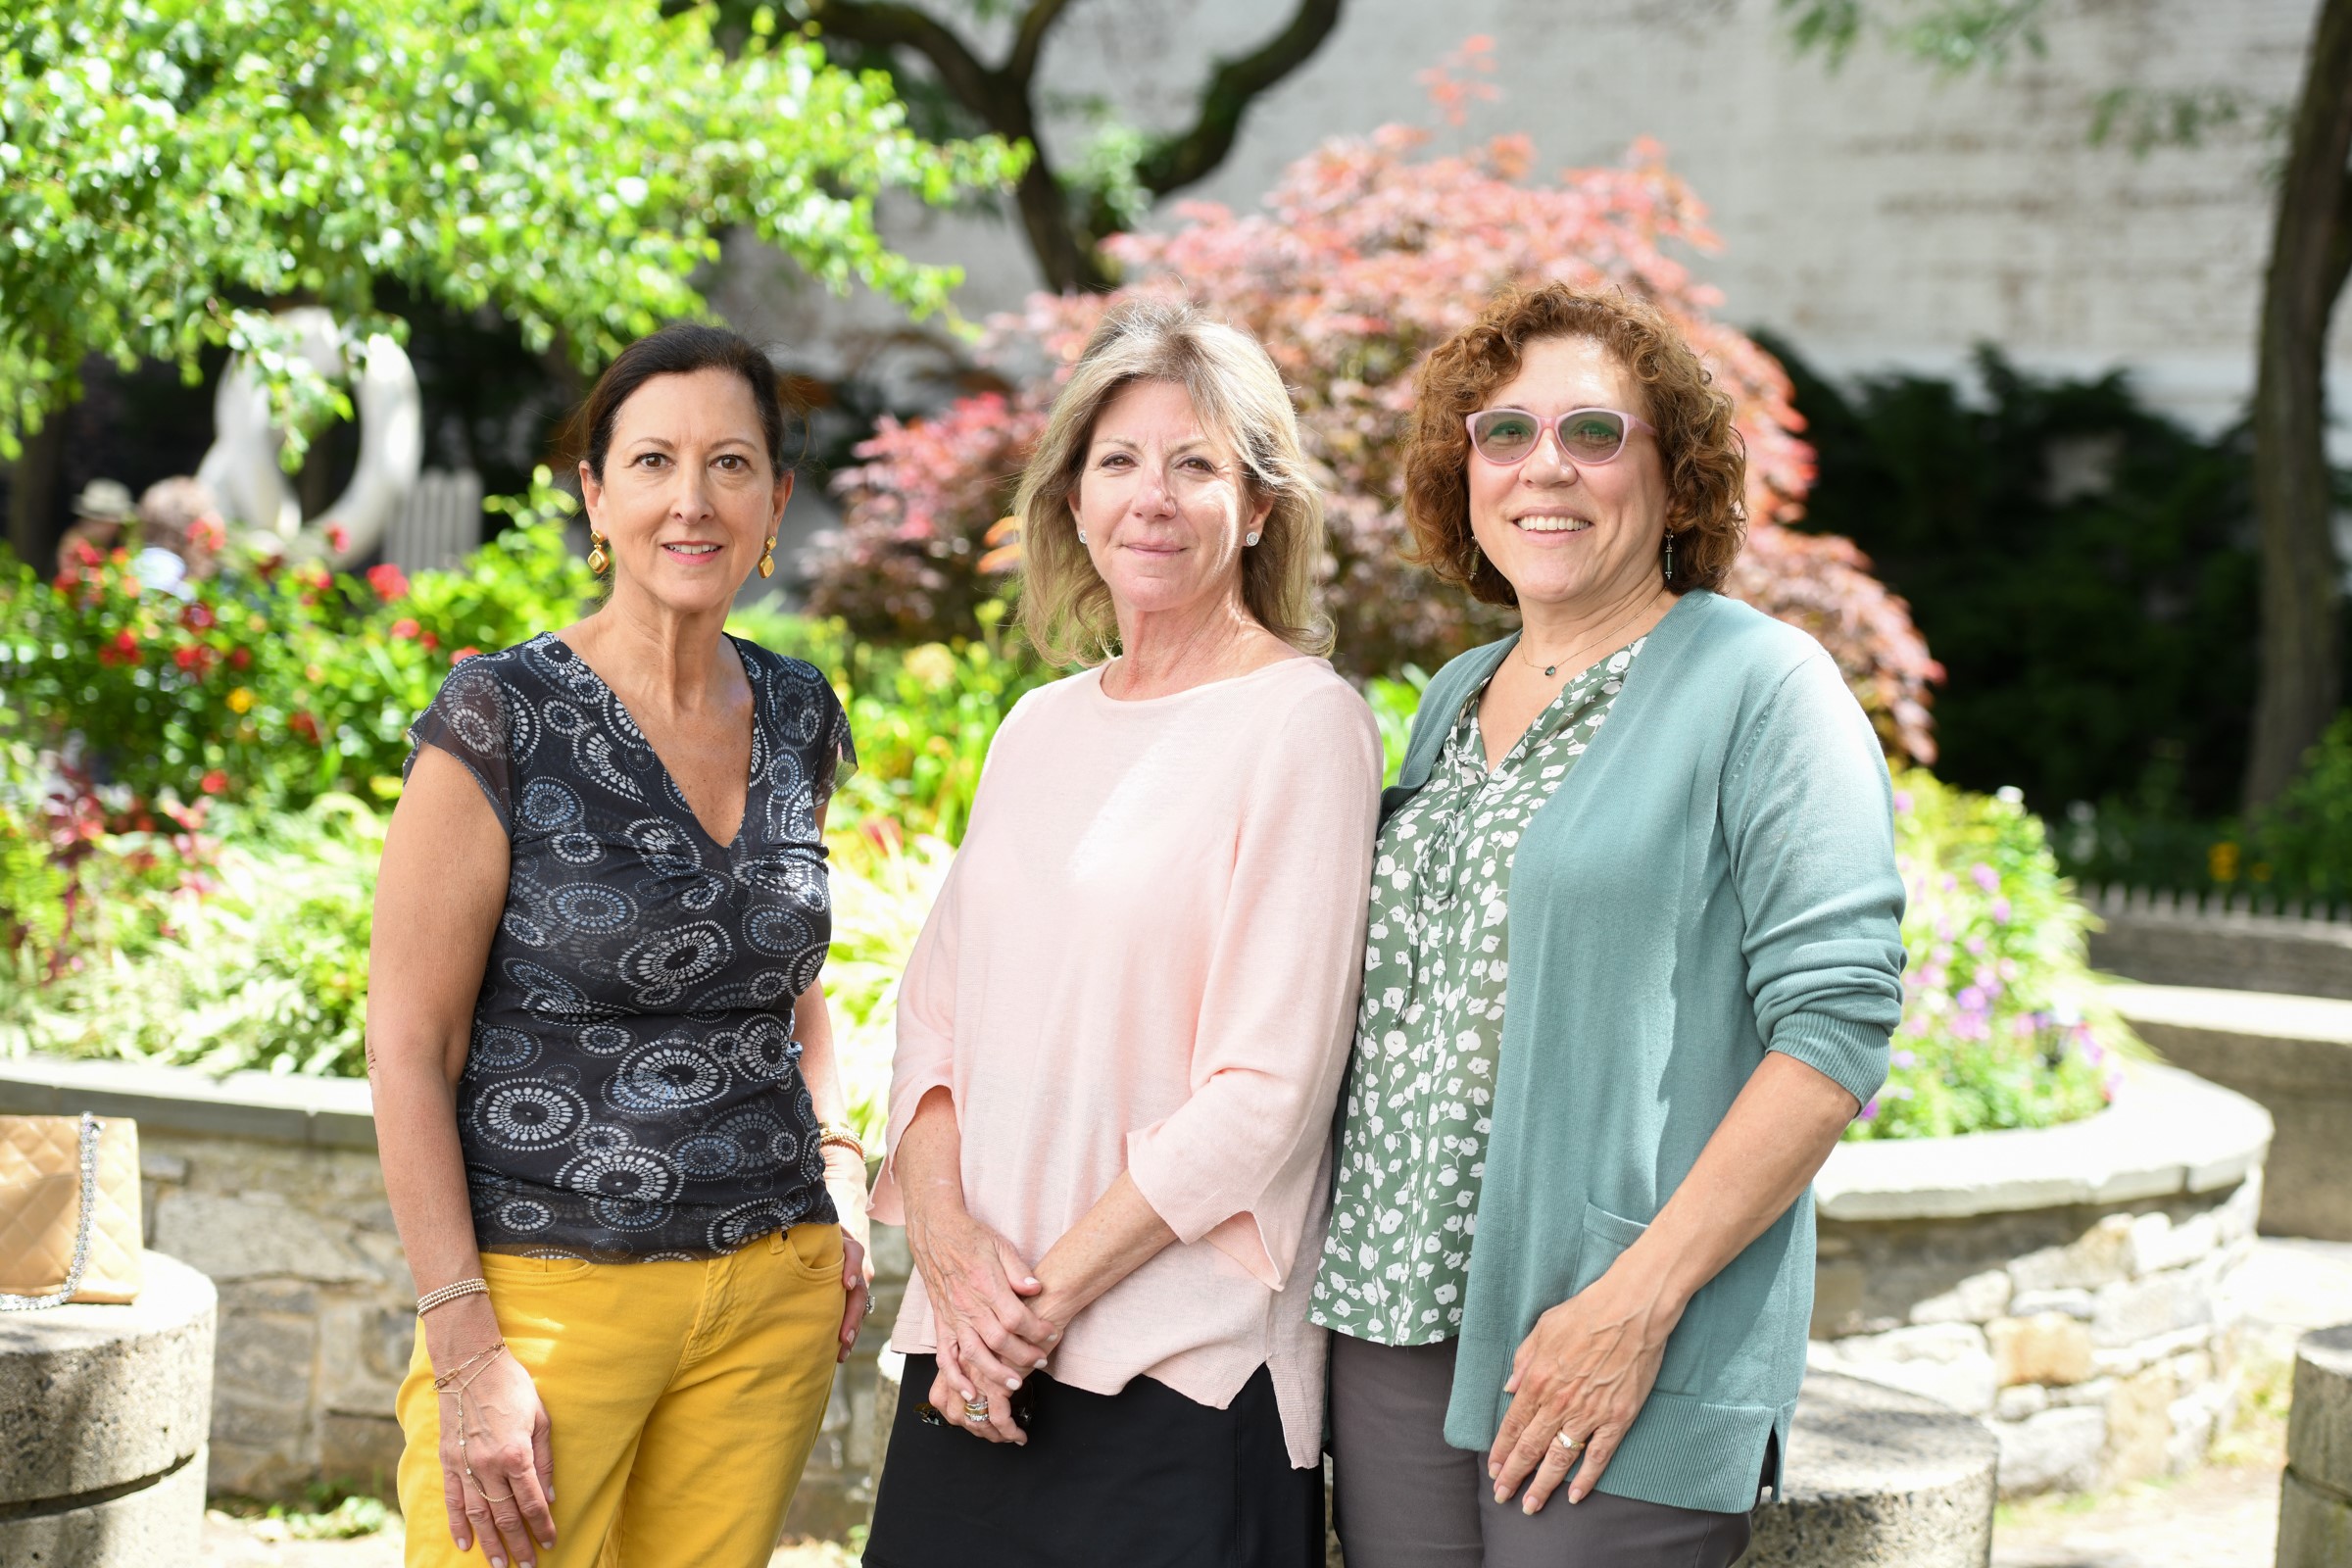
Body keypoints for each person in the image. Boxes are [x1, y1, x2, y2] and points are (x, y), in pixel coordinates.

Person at [1310, 284, 1906, 1568]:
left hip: (1611, 1328)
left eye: (1594, 432)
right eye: (1506, 432)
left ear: (1676, 480)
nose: (1546, 467)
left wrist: (1635, 1305)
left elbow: (1835, 1029)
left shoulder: (1764, 686)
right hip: (1392, 1317)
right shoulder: (1455, 695)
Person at [861, 299, 1383, 1568]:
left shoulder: (1305, 726)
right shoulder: (1036, 728)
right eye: (1120, 462)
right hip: (969, 1363)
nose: (1154, 497)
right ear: (1075, 500)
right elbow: (929, 1028)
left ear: (1258, 507)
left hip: (1174, 1378)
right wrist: (953, 1264)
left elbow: (1264, 1095)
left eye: (1196, 463)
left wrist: (1031, 1311)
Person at [368, 321, 871, 1568]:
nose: (691, 501)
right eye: (653, 461)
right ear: (596, 496)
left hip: (770, 1296)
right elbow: (408, 1045)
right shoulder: (500, 716)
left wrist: (843, 1165)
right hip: (544, 1299)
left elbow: (787, 980)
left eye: (730, 464)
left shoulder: (798, 711)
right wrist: (465, 1344)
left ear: (776, 501)